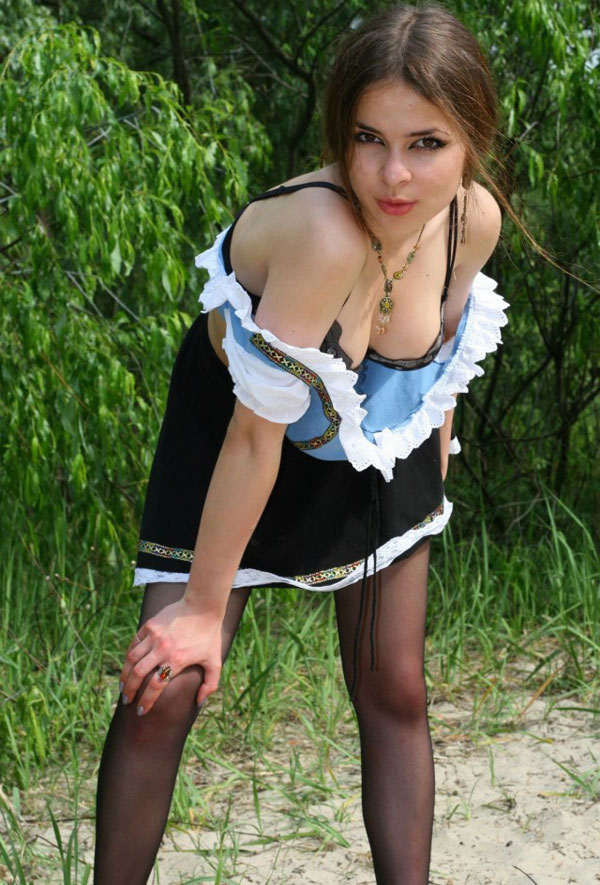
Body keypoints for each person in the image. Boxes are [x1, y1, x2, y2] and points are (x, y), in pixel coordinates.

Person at [94, 4, 508, 883]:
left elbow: (441, 352)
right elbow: (254, 438)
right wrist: (200, 611)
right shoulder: (324, 232)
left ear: (472, 141)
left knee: (394, 684)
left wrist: (435, 462)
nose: (394, 174)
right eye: (369, 138)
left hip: (376, 433)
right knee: (165, 687)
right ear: (340, 133)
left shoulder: (472, 220)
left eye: (427, 143)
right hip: (240, 436)